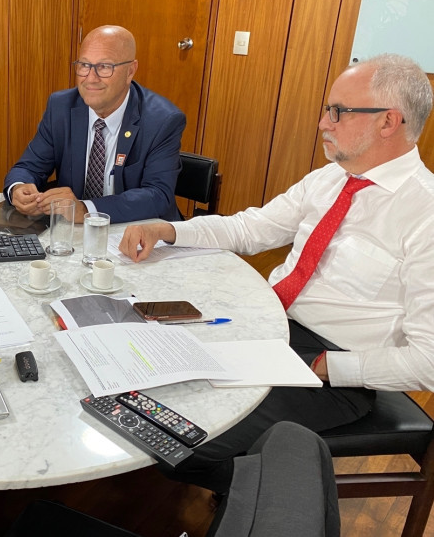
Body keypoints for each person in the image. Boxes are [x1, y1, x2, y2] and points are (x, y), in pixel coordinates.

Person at [119, 53, 434, 492]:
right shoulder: (328, 179)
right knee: (140, 372)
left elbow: (428, 361)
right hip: (267, 327)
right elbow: (250, 228)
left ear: (388, 122)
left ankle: (277, 499)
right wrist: (169, 228)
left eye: (338, 111)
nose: (324, 122)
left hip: (332, 369)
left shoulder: (425, 214)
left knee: (181, 442)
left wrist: (327, 367)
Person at [3, 25, 185, 224]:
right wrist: (18, 188)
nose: (90, 78)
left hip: (139, 233)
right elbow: (29, 166)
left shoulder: (162, 120)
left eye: (105, 67)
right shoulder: (61, 107)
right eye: (84, 65)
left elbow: (158, 196)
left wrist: (86, 209)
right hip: (76, 235)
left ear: (130, 71)